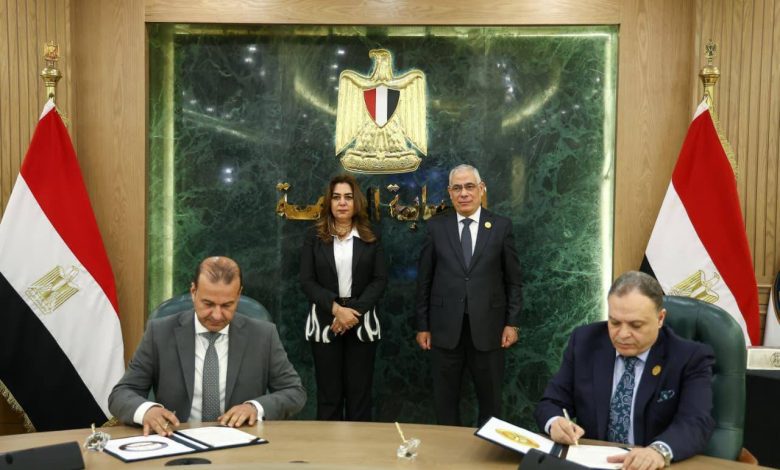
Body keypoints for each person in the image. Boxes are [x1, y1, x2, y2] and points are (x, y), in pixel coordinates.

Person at [534, 271, 715, 469]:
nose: (623, 334)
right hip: (594, 463)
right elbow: (551, 402)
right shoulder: (585, 342)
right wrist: (555, 422)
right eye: (614, 322)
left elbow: (695, 422)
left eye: (636, 325)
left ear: (660, 318)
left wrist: (658, 451)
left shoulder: (689, 357)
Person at [109, 256, 306, 436]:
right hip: (176, 441)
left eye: (227, 305)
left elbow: (294, 392)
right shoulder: (160, 332)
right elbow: (121, 394)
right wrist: (147, 411)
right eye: (208, 304)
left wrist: (254, 407)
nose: (217, 315)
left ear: (238, 295)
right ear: (193, 292)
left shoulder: (263, 335)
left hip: (241, 442)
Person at [415, 164, 522, 426]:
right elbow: (424, 281)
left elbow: (513, 281)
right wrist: (423, 326)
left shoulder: (500, 226)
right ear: (450, 193)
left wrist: (512, 322)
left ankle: (488, 449)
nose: (464, 193)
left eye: (469, 186)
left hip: (489, 329)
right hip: (444, 330)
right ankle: (449, 450)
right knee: (445, 401)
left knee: (491, 401)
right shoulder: (436, 228)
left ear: (481, 189)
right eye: (457, 188)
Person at [300, 174, 387, 421]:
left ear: (356, 202)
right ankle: (329, 446)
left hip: (362, 322)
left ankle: (359, 447)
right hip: (325, 320)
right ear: (329, 201)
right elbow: (306, 281)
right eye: (336, 197)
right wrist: (337, 310)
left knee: (360, 396)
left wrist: (352, 313)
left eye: (348, 197)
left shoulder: (371, 236)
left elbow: (380, 280)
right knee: (329, 396)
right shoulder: (314, 237)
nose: (342, 203)